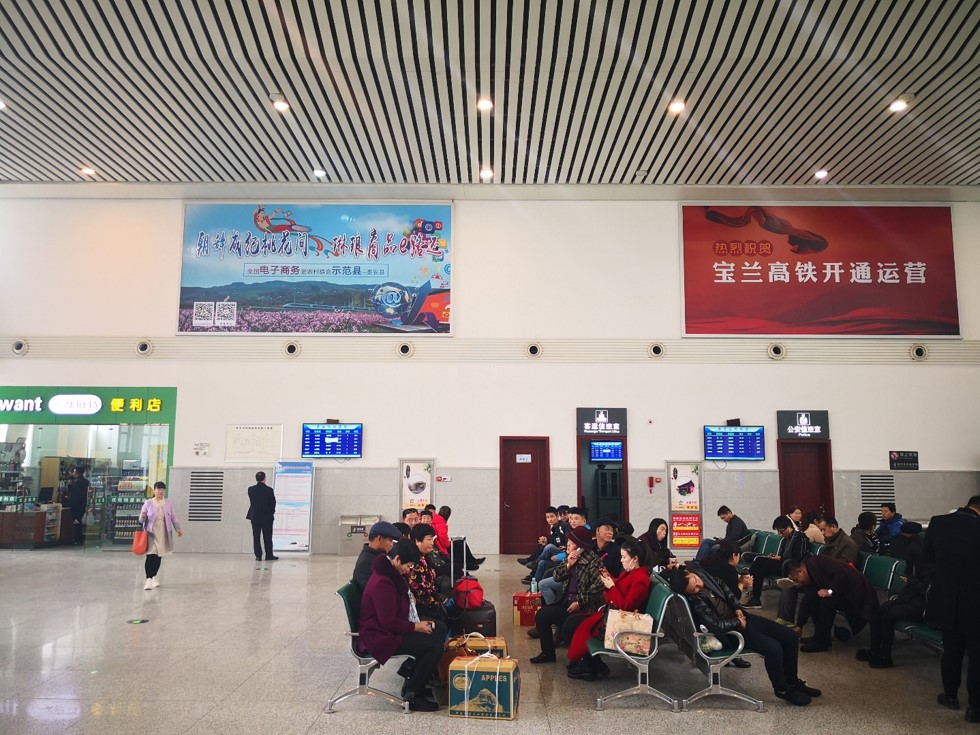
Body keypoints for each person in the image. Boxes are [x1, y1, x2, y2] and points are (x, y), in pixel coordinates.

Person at [670, 563, 820, 706]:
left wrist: (737, 607)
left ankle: (793, 682)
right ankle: (782, 690)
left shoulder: (703, 576)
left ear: (690, 573)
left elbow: (723, 588)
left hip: (743, 618)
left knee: (790, 637)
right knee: (773, 648)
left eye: (696, 580)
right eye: (694, 589)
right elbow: (716, 625)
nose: (699, 585)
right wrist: (737, 622)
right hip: (732, 633)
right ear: (688, 593)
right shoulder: (696, 602)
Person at [358, 539, 446, 712]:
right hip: (380, 636)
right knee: (434, 645)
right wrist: (416, 627)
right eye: (408, 565)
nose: (408, 569)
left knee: (439, 628)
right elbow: (388, 622)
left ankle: (415, 677)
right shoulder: (383, 582)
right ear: (397, 559)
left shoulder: (390, 572)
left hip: (390, 628)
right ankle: (413, 694)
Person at [923, 496, 980, 722]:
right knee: (976, 656)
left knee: (952, 650)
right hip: (975, 600)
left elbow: (928, 558)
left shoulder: (938, 522)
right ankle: (975, 708)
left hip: (946, 597)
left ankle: (950, 696)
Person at [566, 537, 652, 681]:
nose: (621, 560)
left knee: (578, 625)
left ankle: (590, 665)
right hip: (615, 615)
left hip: (625, 623)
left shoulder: (640, 579)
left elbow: (627, 606)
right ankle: (590, 663)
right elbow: (621, 587)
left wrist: (611, 586)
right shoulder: (633, 573)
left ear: (635, 559)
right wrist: (608, 576)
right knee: (575, 623)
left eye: (624, 557)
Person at [855, 523, 931, 669]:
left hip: (923, 606)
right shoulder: (915, 564)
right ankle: (874, 651)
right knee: (877, 613)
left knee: (888, 616)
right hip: (910, 600)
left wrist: (911, 581)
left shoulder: (931, 568)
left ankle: (885, 656)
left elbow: (927, 590)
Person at [530, 525, 605, 664]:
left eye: (571, 543)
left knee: (567, 627)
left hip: (585, 608)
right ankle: (548, 653)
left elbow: (599, 588)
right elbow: (556, 576)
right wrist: (568, 565)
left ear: (580, 546)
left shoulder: (594, 562)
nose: (568, 545)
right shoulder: (570, 558)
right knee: (542, 616)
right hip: (566, 603)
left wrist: (580, 602)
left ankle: (579, 660)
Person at [785, 556, 879, 653]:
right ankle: (818, 637)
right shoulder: (811, 574)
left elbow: (842, 574)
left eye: (796, 580)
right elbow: (806, 600)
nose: (797, 584)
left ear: (801, 571)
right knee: (813, 598)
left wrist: (830, 591)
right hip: (843, 592)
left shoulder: (820, 562)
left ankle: (822, 642)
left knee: (826, 600)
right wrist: (799, 625)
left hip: (858, 593)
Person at [744, 515, 809, 609]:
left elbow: (798, 560)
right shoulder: (786, 539)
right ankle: (755, 599)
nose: (781, 534)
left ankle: (745, 578)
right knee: (759, 570)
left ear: (789, 527)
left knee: (759, 561)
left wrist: (780, 558)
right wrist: (776, 557)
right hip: (783, 564)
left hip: (792, 568)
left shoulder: (800, 539)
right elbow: (782, 556)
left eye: (782, 531)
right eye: (779, 532)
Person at [138, 481, 182, 590]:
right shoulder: (148, 503)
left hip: (163, 533)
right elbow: (141, 520)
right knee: (150, 556)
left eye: (163, 489)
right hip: (151, 533)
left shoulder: (168, 503)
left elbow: (173, 517)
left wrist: (178, 529)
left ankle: (154, 577)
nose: (161, 491)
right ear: (154, 491)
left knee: (158, 556)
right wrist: (143, 516)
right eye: (159, 489)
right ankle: (148, 579)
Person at [407, 523, 448, 624]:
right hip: (421, 606)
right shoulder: (414, 562)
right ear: (417, 541)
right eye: (429, 539)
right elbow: (420, 592)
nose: (432, 543)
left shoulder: (424, 557)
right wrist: (436, 603)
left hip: (430, 600)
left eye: (432, 539)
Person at [351, 521, 402, 591]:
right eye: (390, 540)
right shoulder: (367, 562)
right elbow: (377, 590)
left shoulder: (378, 555)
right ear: (379, 539)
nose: (391, 545)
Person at [246, 471, 277, 561]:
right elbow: (273, 503)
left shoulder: (251, 489)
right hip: (267, 517)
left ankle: (258, 556)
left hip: (255, 516)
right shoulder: (269, 490)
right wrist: (271, 512)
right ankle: (269, 555)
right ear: (264, 479)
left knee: (256, 536)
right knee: (267, 537)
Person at [66, 466, 90, 545]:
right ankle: (80, 538)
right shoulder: (86, 482)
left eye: (74, 472)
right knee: (79, 522)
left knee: (76, 522)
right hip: (83, 505)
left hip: (76, 506)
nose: (73, 473)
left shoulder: (76, 483)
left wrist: (69, 487)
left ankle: (77, 538)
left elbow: (73, 495)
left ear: (76, 472)